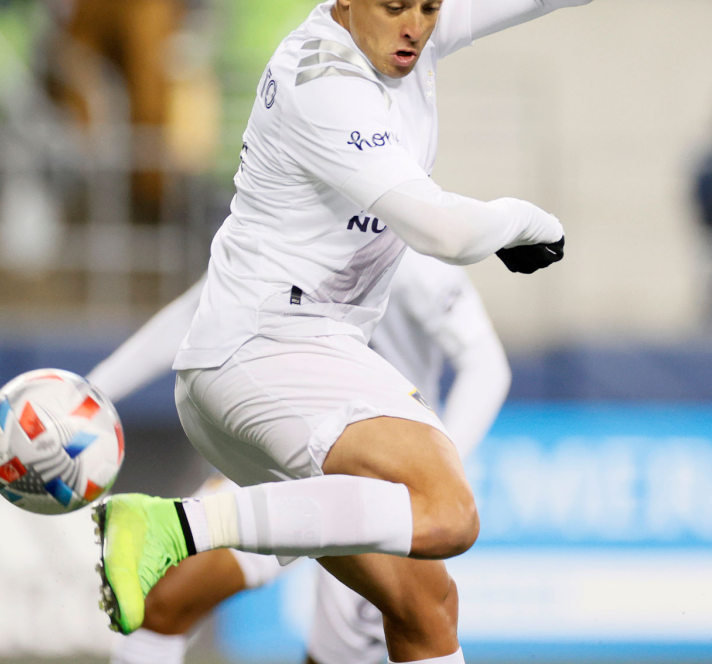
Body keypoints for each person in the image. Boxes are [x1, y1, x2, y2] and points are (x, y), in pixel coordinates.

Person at [92, 0, 626, 664]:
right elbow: (441, 229)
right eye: (397, 4)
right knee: (447, 510)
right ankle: (172, 527)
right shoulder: (325, 81)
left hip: (265, 361)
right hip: (269, 353)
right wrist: (524, 220)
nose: (416, 25)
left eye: (431, 6)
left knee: (424, 602)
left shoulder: (409, 32)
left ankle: (180, 533)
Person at [84, 251, 510, 664]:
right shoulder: (281, 219)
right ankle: (174, 527)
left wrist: (431, 478)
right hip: (285, 455)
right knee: (160, 603)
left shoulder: (410, 247)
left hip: (377, 482)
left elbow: (486, 365)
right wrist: (90, 396)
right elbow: (194, 315)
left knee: (369, 643)